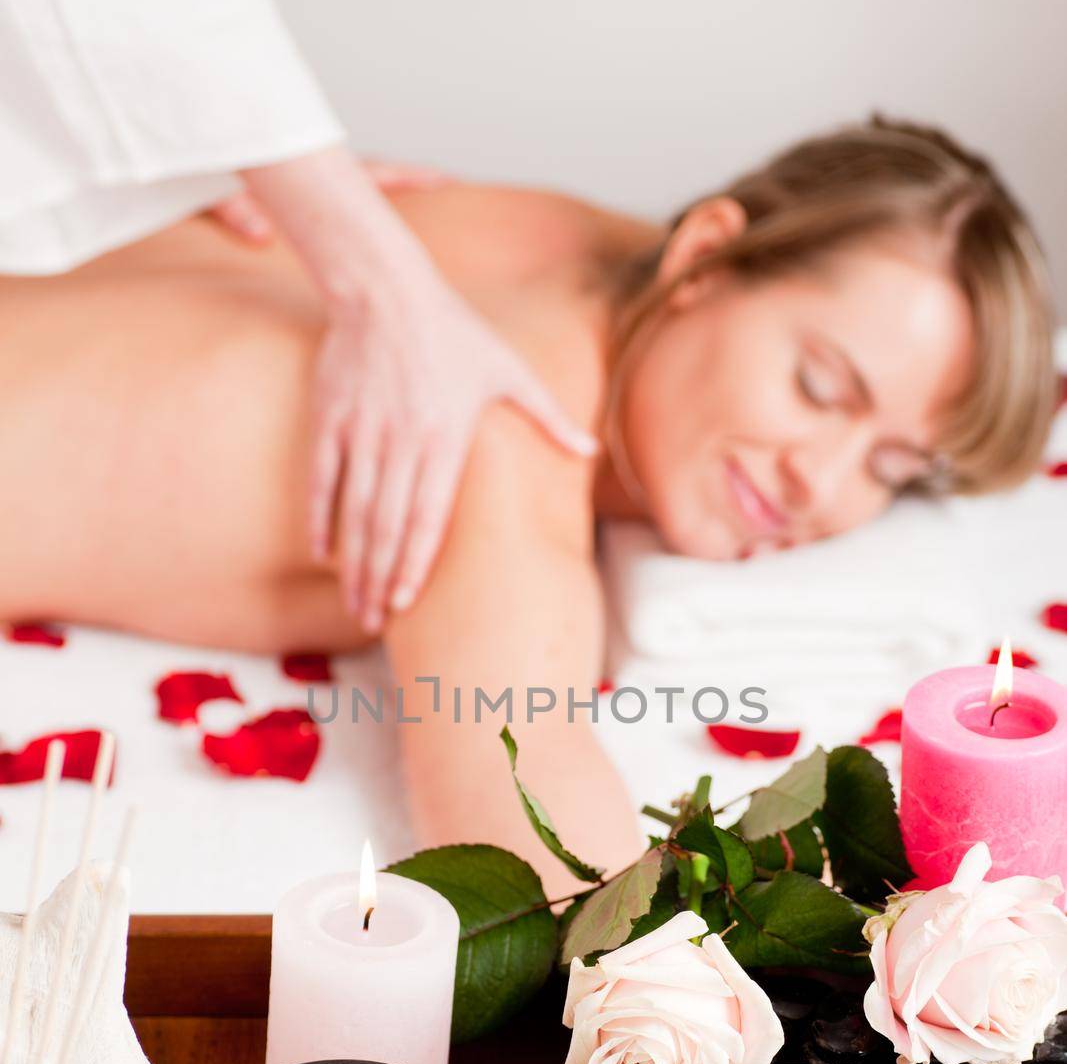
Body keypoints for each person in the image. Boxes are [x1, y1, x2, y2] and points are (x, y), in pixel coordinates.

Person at [0, 119, 1056, 886]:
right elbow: (543, 854)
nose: (819, 481)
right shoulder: (511, 424)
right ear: (702, 257)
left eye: (891, 466)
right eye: (819, 387)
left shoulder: (580, 243)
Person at [0, 0, 593, 637]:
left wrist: (271, 171)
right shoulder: (502, 431)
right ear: (703, 255)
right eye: (790, 383)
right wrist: (381, 285)